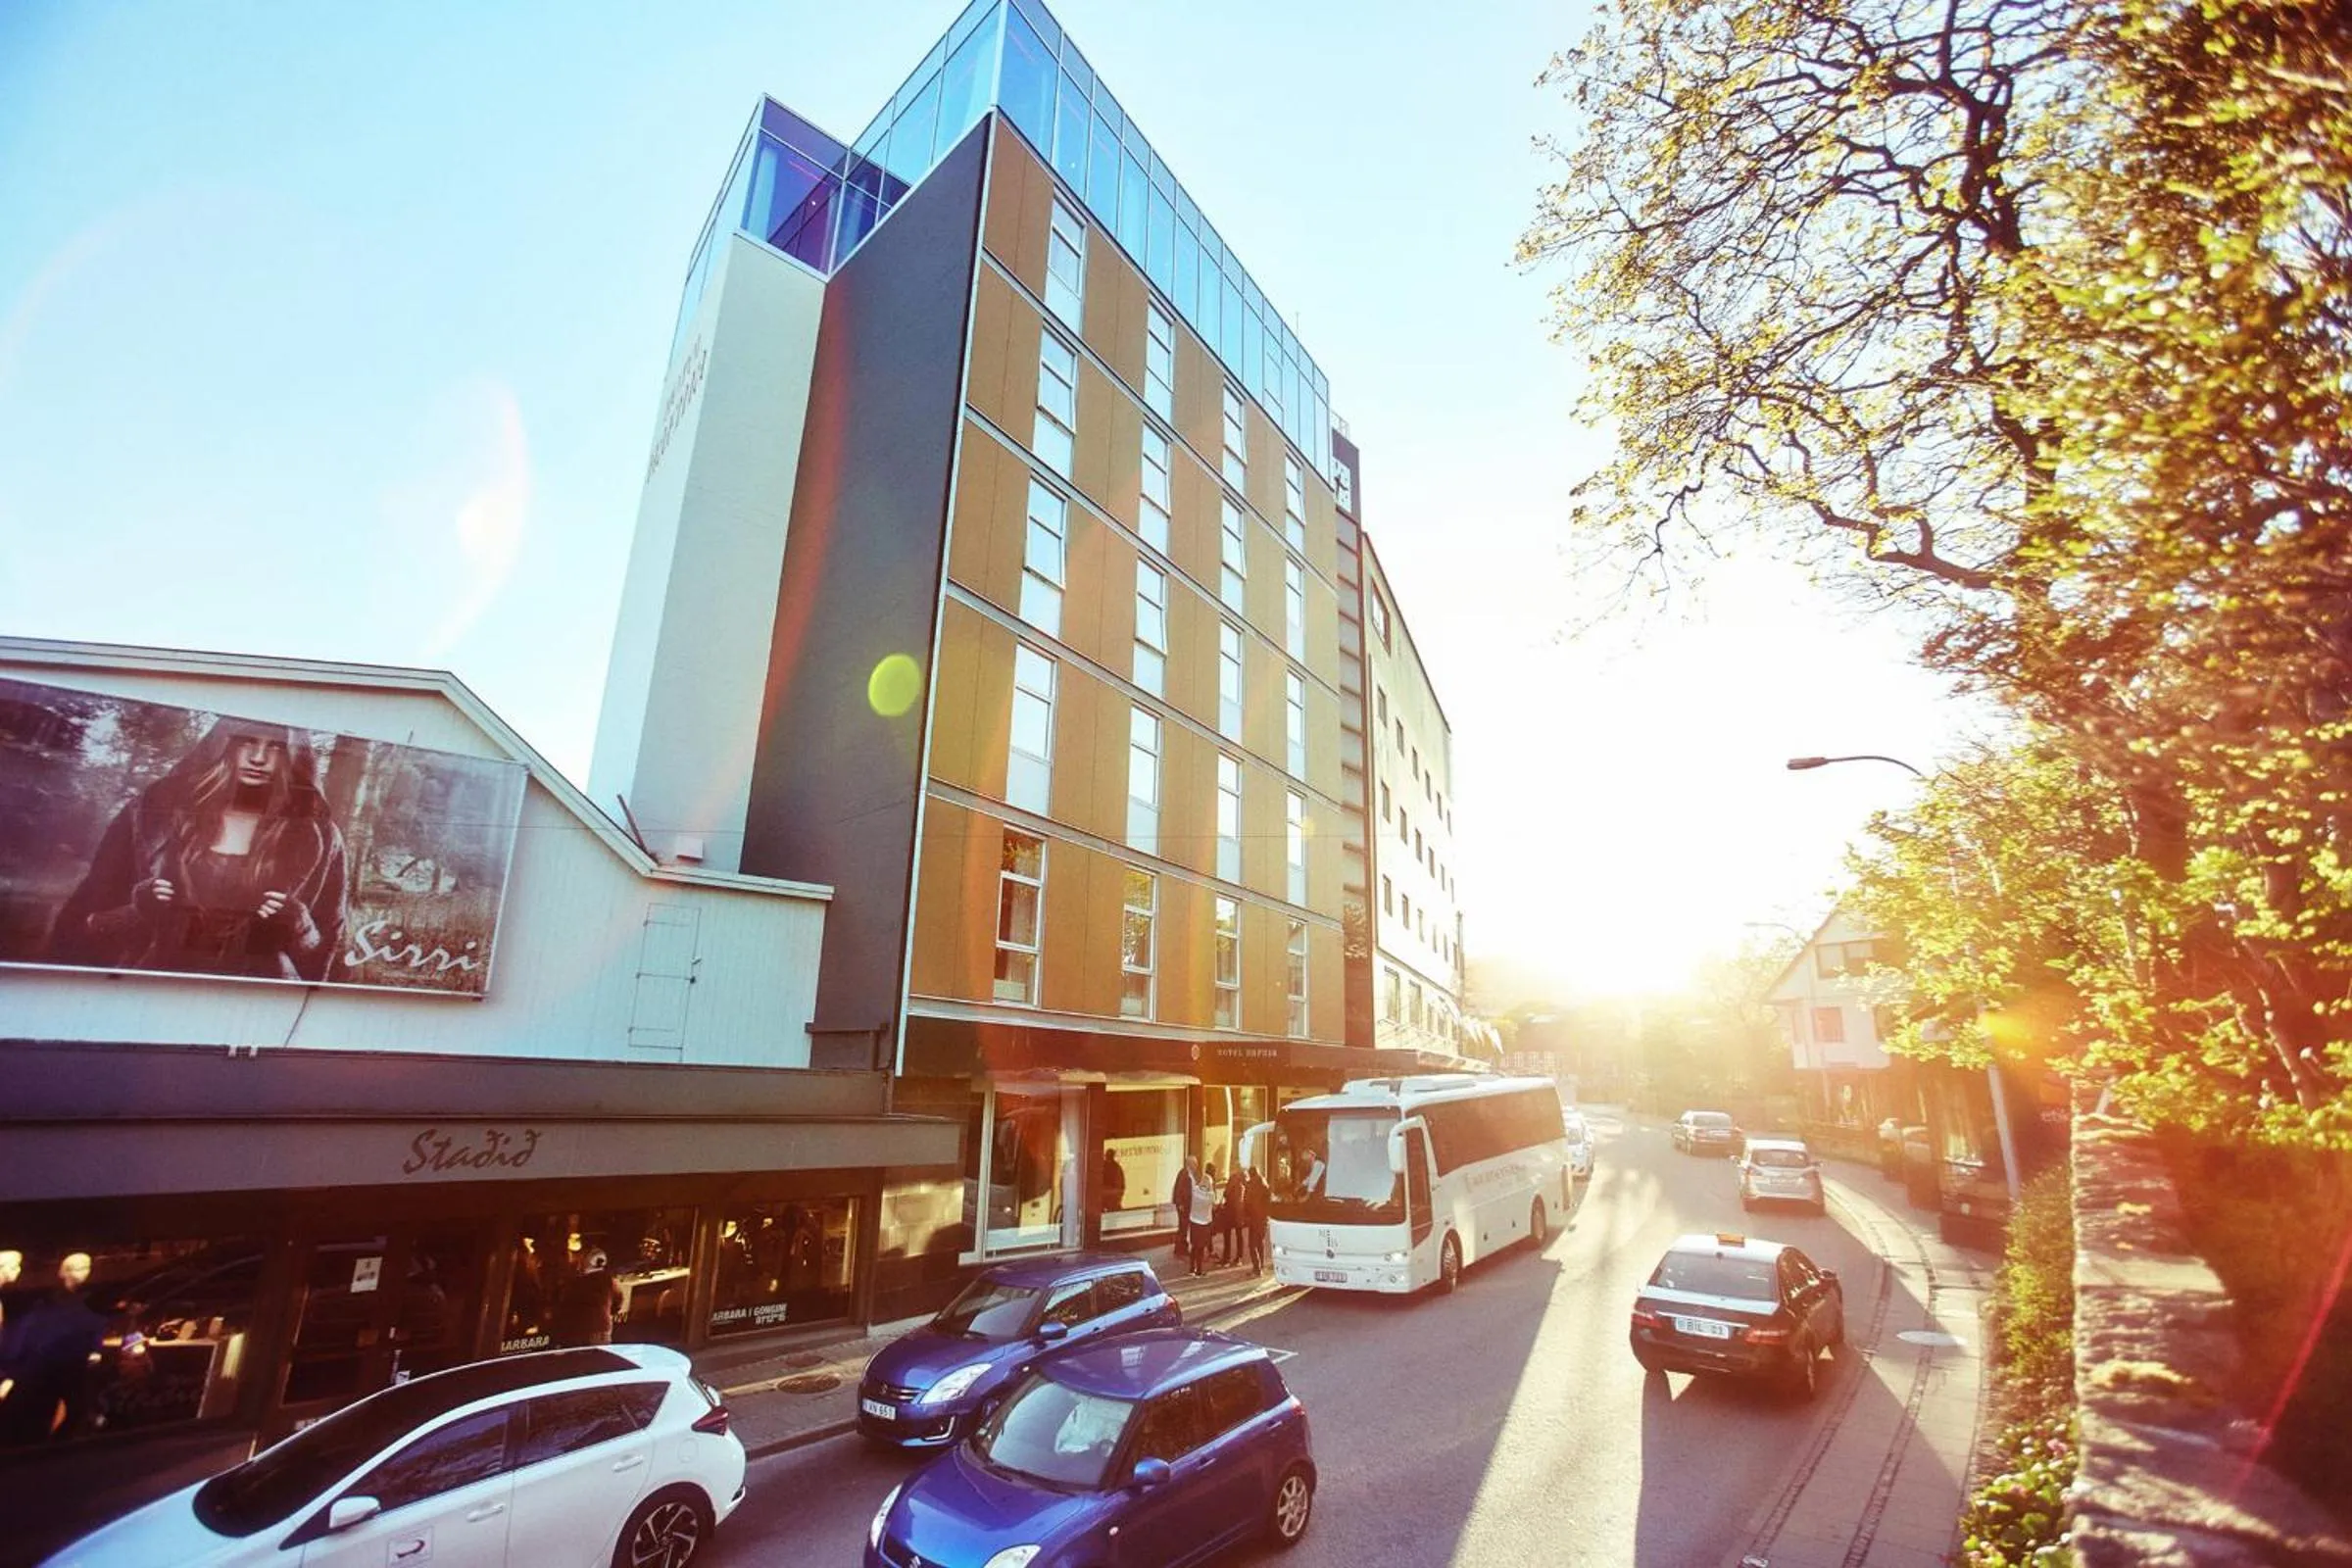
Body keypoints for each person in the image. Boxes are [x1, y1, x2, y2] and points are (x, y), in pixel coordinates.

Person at [48, 720, 348, 983]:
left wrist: (300, 925)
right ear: (224, 745)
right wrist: (138, 913)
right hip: (147, 988)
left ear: (293, 755)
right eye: (247, 742)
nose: (258, 758)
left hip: (254, 1001)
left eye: (276, 747)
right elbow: (84, 923)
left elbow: (332, 952)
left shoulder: (320, 837)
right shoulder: (151, 817)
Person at [0, 1253, 106, 1446]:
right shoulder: (45, 1303)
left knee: (67, 1408)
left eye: (86, 1268)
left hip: (58, 1363)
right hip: (44, 1365)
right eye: (14, 1266)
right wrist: (10, 1373)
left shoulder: (84, 1302)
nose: (18, 1270)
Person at [555, 1250, 621, 1347]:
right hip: (603, 1330)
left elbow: (565, 1308)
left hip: (580, 1332)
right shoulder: (610, 1281)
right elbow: (618, 1303)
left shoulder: (576, 1283)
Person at [1188, 1164, 1219, 1276]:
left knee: (1194, 1246)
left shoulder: (1195, 1191)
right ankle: (1199, 1271)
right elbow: (1214, 1206)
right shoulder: (1210, 1196)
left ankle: (1192, 1269)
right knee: (1200, 1248)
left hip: (1193, 1221)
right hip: (1204, 1223)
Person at [1170, 1157, 1198, 1267]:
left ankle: (1181, 1248)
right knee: (1183, 1226)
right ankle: (1181, 1249)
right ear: (1190, 1164)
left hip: (1187, 1205)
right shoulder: (1184, 1173)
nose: (1196, 1166)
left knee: (1184, 1227)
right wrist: (1180, 1203)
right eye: (1195, 1164)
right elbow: (1179, 1189)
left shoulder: (1189, 1173)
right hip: (1183, 1206)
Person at [1244, 1167, 1272, 1274]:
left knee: (1252, 1244)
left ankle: (1257, 1268)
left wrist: (1246, 1216)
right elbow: (1269, 1201)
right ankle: (1262, 1265)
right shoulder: (1265, 1184)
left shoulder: (1250, 1185)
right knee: (1260, 1242)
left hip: (1254, 1218)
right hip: (1263, 1219)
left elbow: (1247, 1202)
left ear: (1251, 1174)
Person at [1219, 1166, 1247, 1266]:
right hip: (1239, 1211)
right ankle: (1239, 1257)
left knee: (1227, 1234)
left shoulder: (1233, 1179)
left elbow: (1226, 1193)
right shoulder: (1244, 1181)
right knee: (1239, 1235)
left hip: (1230, 1211)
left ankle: (1226, 1258)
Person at [1100, 1148, 1127, 1218]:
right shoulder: (1116, 1167)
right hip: (1109, 1196)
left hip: (1110, 1196)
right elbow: (1122, 1185)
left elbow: (1121, 1185)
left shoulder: (1115, 1167)